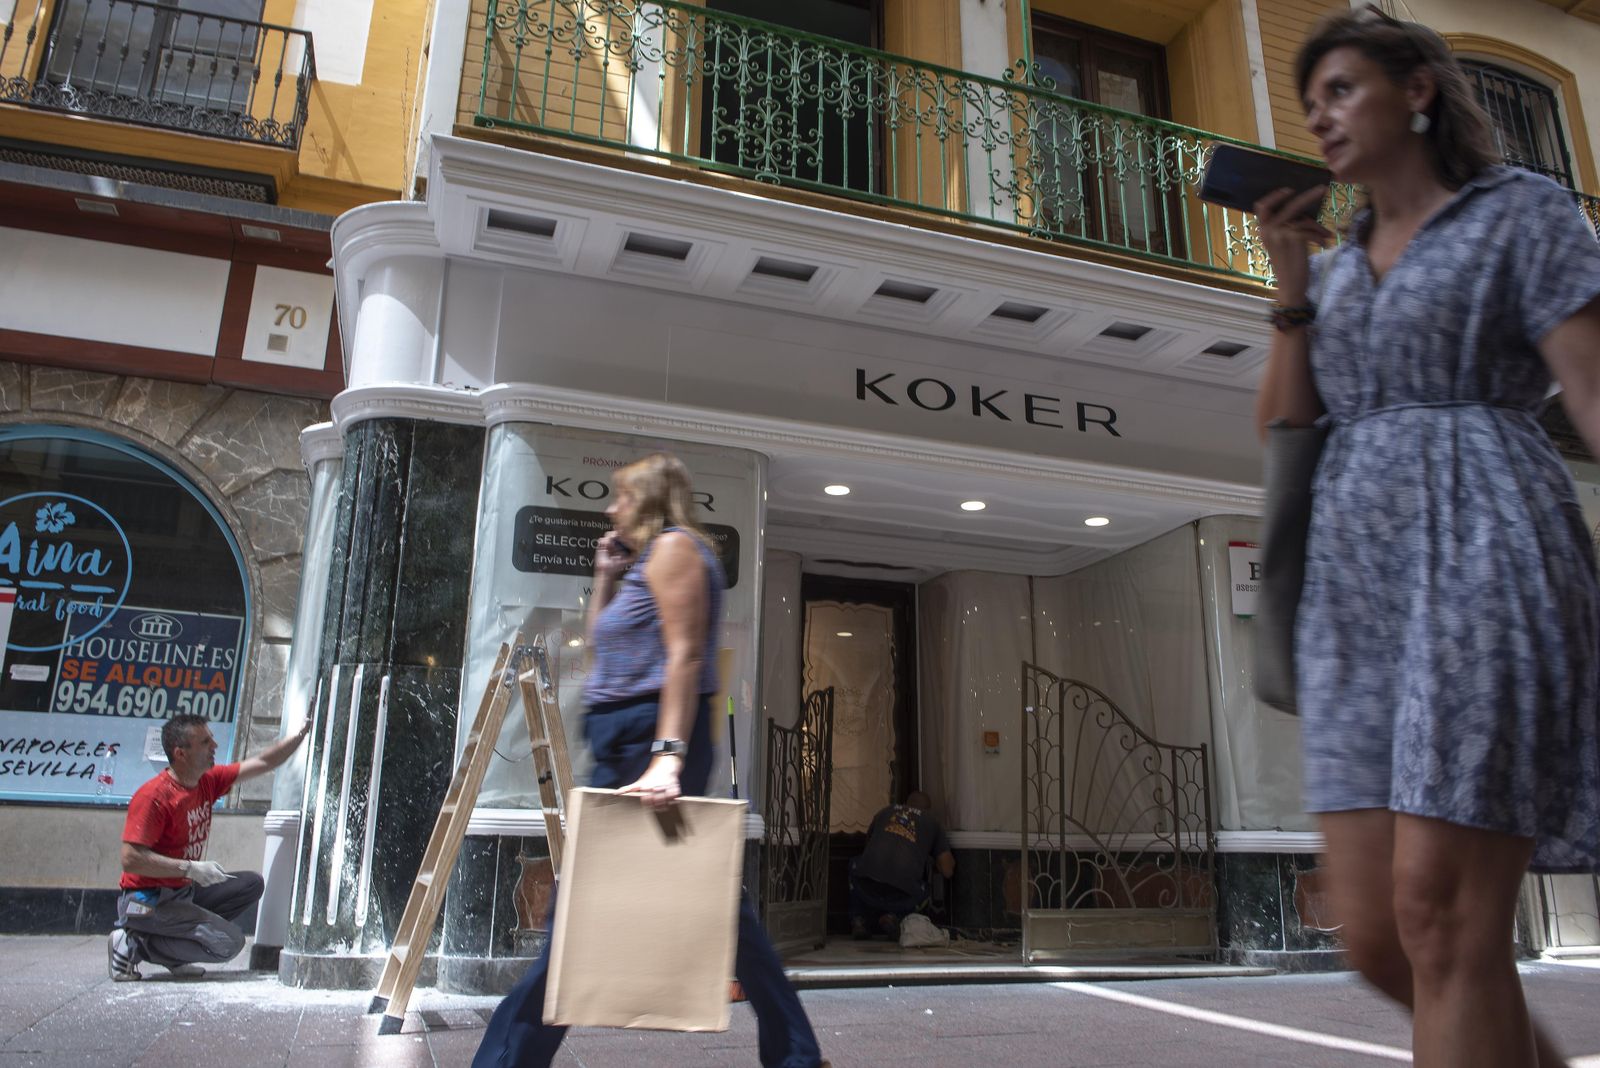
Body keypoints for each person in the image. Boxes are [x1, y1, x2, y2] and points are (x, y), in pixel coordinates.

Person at [1252, 8, 1600, 1067]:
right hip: (1353, 589)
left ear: (1418, 92)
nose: (1320, 117)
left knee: (1444, 921)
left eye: (1341, 89)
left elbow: (1588, 390)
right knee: (1375, 940)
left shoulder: (1519, 213)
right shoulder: (1342, 264)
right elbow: (1285, 428)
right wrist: (1291, 286)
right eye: (1310, 102)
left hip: (1484, 544)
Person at [474, 453, 828, 1068]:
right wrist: (606, 576)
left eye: (621, 497)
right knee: (716, 906)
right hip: (624, 742)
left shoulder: (679, 551)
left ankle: (505, 1060)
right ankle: (796, 1054)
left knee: (578, 910)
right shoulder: (647, 563)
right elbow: (604, 654)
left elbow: (687, 657)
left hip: (649, 742)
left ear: (650, 498)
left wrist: (667, 756)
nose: (611, 508)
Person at [109, 712, 311, 981]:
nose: (214, 746)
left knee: (250, 884)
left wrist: (303, 731)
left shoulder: (208, 781)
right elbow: (131, 858)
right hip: (146, 900)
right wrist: (189, 868)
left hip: (182, 891)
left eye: (212, 739)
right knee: (228, 944)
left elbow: (264, 761)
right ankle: (132, 942)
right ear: (180, 754)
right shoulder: (154, 796)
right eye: (205, 742)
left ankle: (173, 950)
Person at [849, 791, 954, 940]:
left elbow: (868, 850)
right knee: (926, 891)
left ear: (905, 803)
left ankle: (859, 919)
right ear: (928, 810)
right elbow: (947, 870)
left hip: (865, 888)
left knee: (854, 864)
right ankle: (895, 917)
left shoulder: (885, 811)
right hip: (901, 896)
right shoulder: (932, 822)